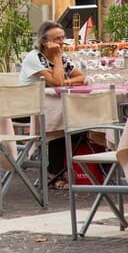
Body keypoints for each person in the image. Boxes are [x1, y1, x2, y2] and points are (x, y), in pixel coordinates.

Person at [19, 21, 86, 189]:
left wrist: (66, 79)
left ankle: (68, 170)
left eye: (62, 38)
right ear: (44, 41)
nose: (61, 42)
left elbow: (81, 77)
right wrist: (57, 59)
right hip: (27, 107)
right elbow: (57, 83)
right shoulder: (35, 58)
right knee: (61, 121)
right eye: (56, 39)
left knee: (77, 122)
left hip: (49, 108)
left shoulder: (61, 58)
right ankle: (53, 173)